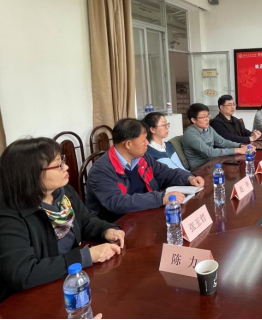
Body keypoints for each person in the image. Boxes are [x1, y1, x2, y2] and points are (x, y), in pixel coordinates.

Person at [0, 138, 125, 303]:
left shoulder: (64, 192)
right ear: (31, 173)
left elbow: (86, 220)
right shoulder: (10, 215)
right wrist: (84, 257)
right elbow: (23, 273)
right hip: (31, 299)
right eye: (58, 165)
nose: (66, 167)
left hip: (68, 281)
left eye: (63, 161)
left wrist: (106, 230)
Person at [86, 118, 204, 222]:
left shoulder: (143, 158)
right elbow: (117, 203)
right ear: (128, 144)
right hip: (118, 226)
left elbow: (166, 173)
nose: (147, 143)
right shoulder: (101, 171)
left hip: (147, 214)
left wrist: (189, 178)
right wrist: (161, 198)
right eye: (143, 140)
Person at [182, 103, 253, 170]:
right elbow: (210, 152)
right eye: (203, 117)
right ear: (193, 120)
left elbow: (222, 142)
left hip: (213, 162)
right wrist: (238, 150)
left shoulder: (208, 128)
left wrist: (240, 145)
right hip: (200, 168)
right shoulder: (190, 134)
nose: (207, 119)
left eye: (208, 116)